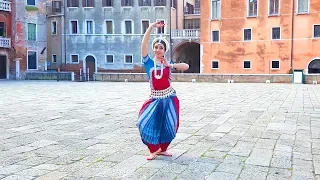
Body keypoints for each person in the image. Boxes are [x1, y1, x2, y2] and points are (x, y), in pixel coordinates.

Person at [137, 21, 189, 160]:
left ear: (164, 50)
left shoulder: (167, 64)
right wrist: (150, 28)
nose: (158, 49)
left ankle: (163, 149)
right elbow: (143, 45)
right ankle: (153, 150)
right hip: (155, 99)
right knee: (145, 121)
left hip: (170, 97)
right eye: (156, 47)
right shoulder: (148, 62)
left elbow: (186, 66)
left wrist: (171, 65)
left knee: (171, 123)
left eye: (160, 47)